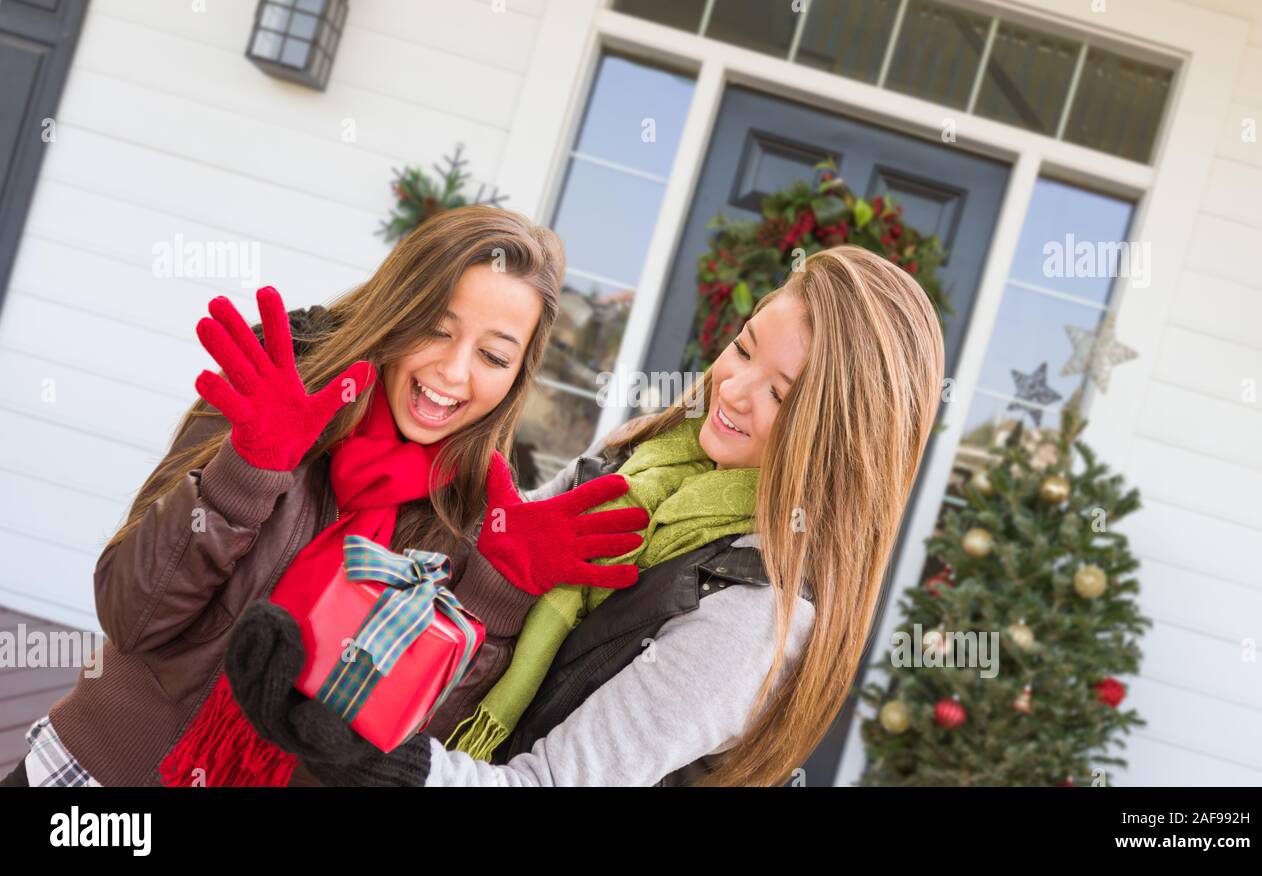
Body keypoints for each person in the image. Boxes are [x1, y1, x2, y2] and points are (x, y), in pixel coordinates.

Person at [224, 244, 947, 787]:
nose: (732, 387)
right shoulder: (641, 463)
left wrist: (377, 756)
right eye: (743, 347)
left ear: (840, 439)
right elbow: (475, 580)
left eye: (782, 395)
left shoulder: (753, 612)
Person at [0, 205, 647, 787]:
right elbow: (131, 615)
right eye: (439, 329)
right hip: (94, 774)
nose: (454, 373)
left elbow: (388, 751)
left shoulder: (478, 519)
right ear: (399, 312)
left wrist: (491, 603)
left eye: (494, 356)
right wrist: (246, 473)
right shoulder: (276, 388)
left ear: (516, 378)